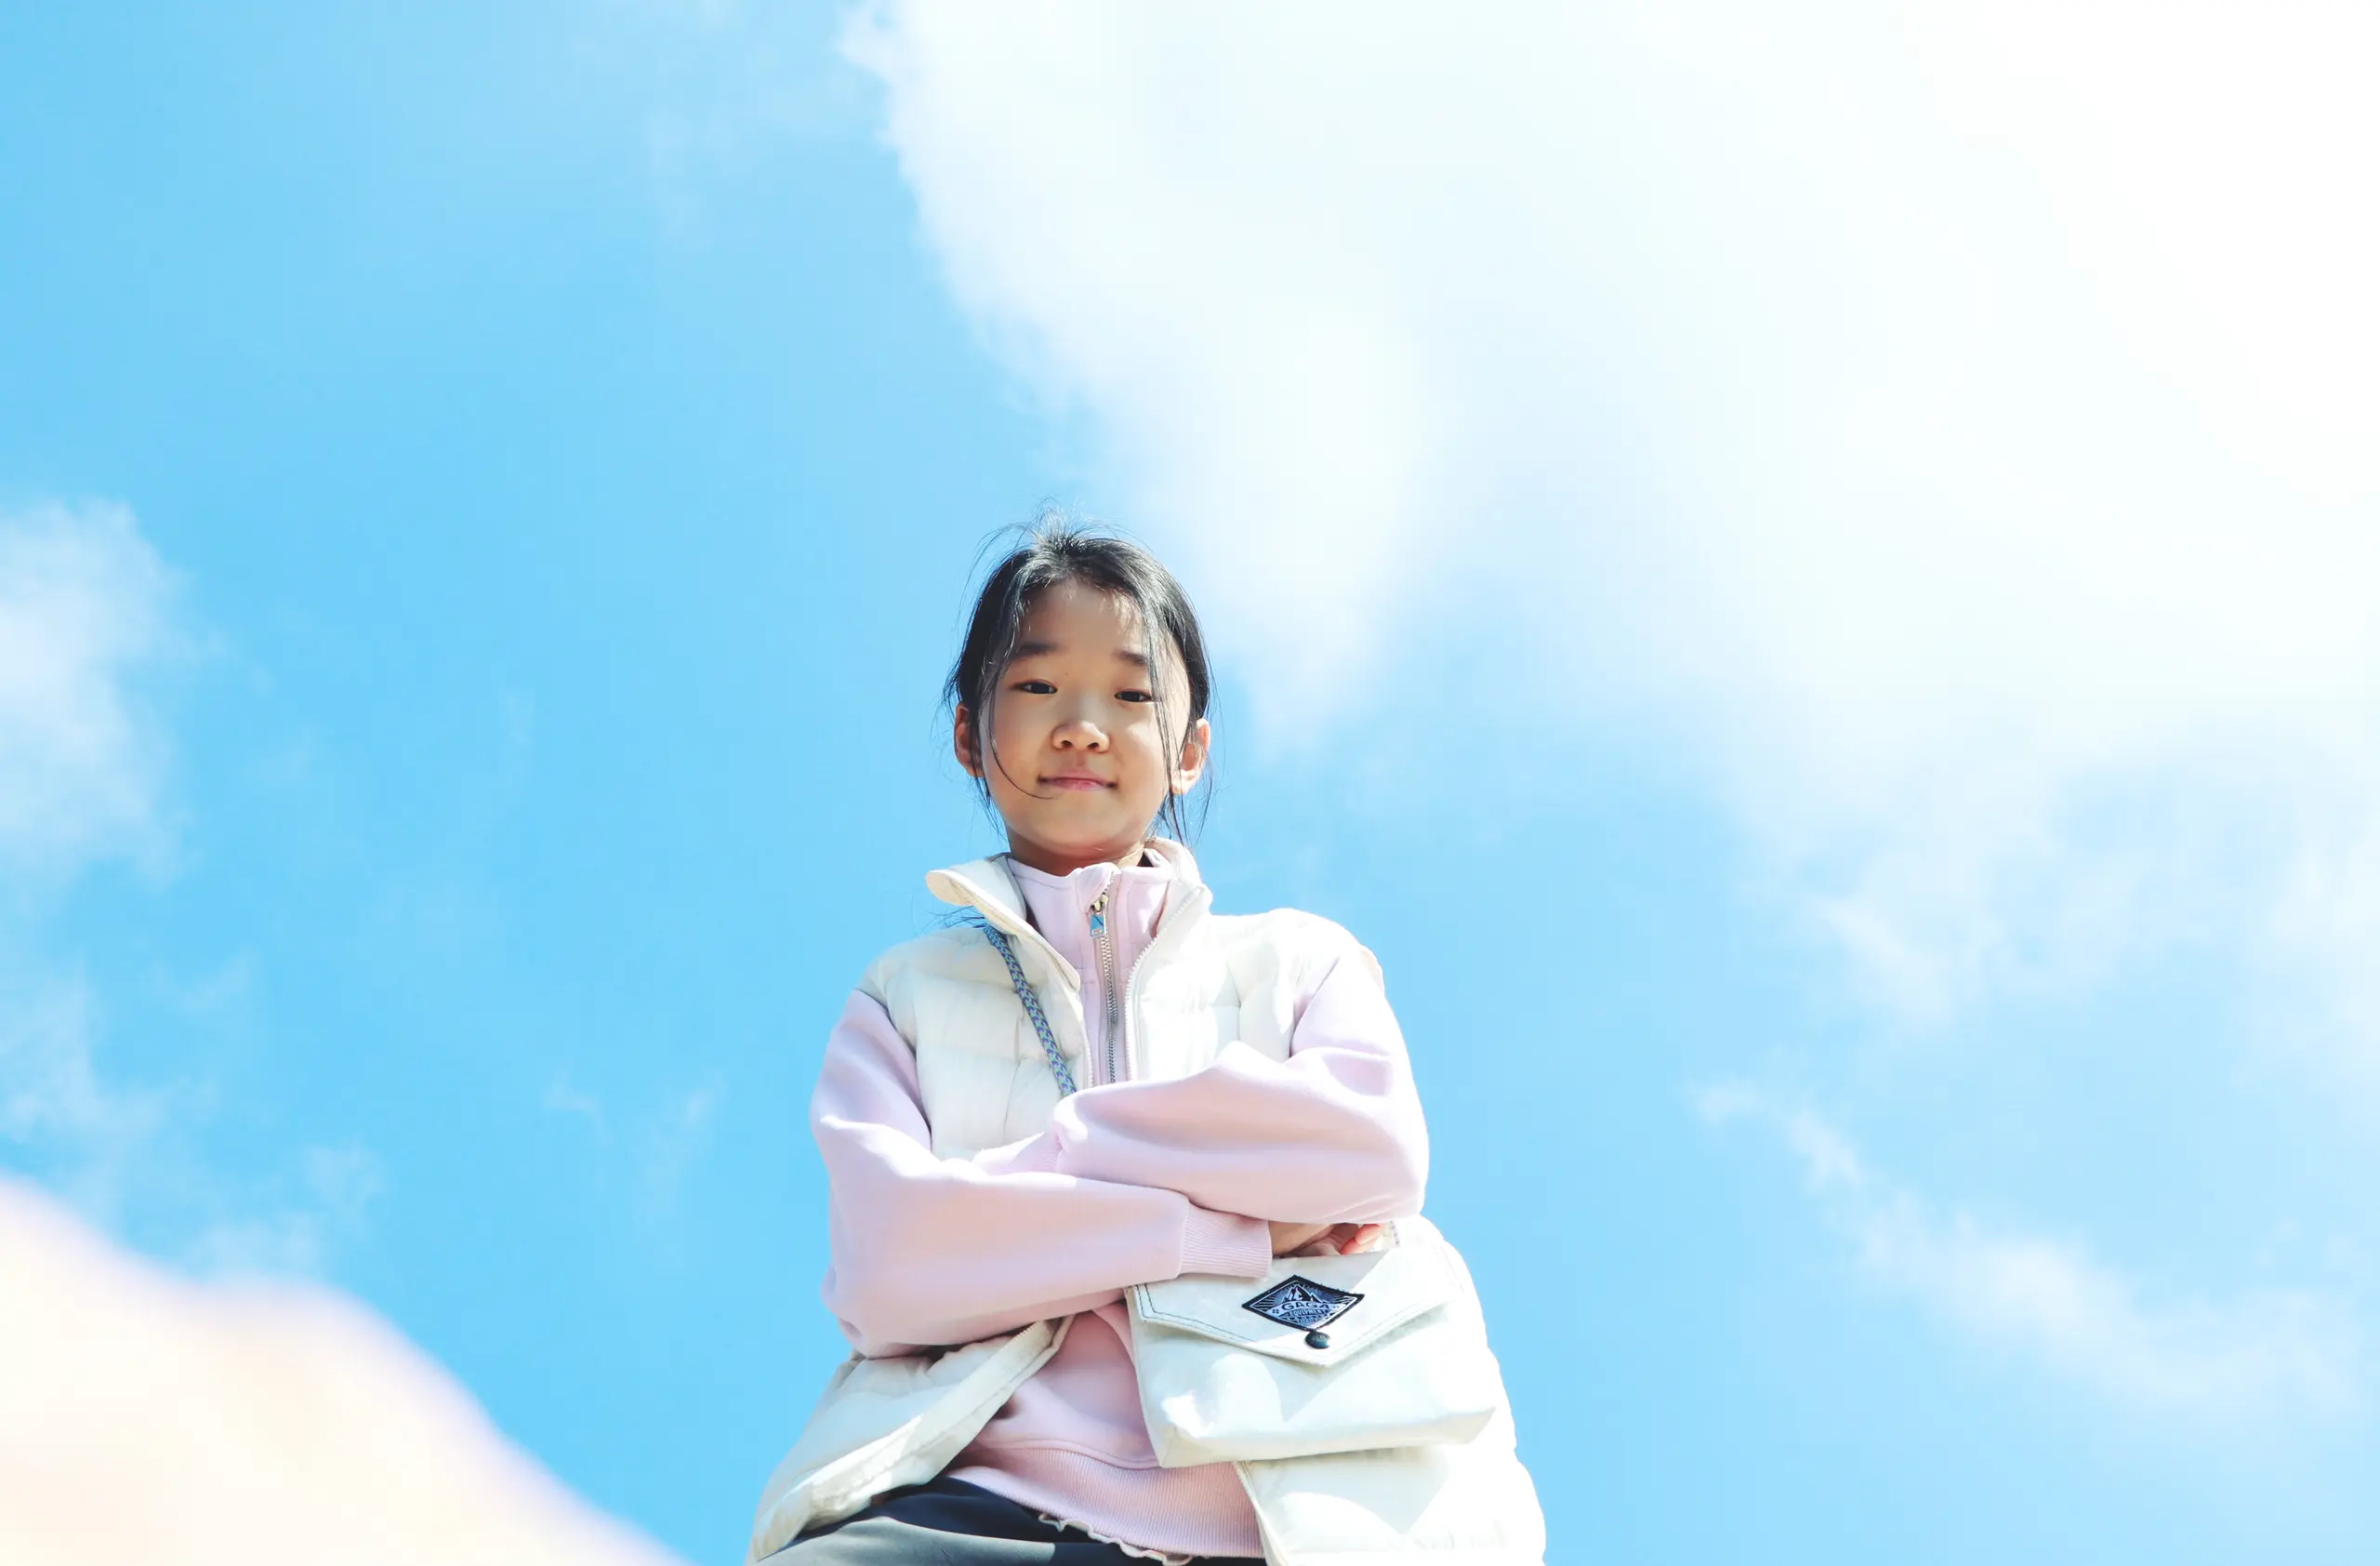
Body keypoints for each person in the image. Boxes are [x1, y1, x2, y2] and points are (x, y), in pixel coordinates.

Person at [748, 519, 1541, 1565]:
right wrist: (1234, 1224)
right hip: (969, 1501)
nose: (1083, 726)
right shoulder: (907, 996)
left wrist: (1034, 1180)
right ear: (969, 735)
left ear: (1190, 750)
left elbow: (1371, 1153)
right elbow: (892, 1267)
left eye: (1131, 696)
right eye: (1038, 686)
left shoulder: (1299, 961)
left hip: (1296, 1517)